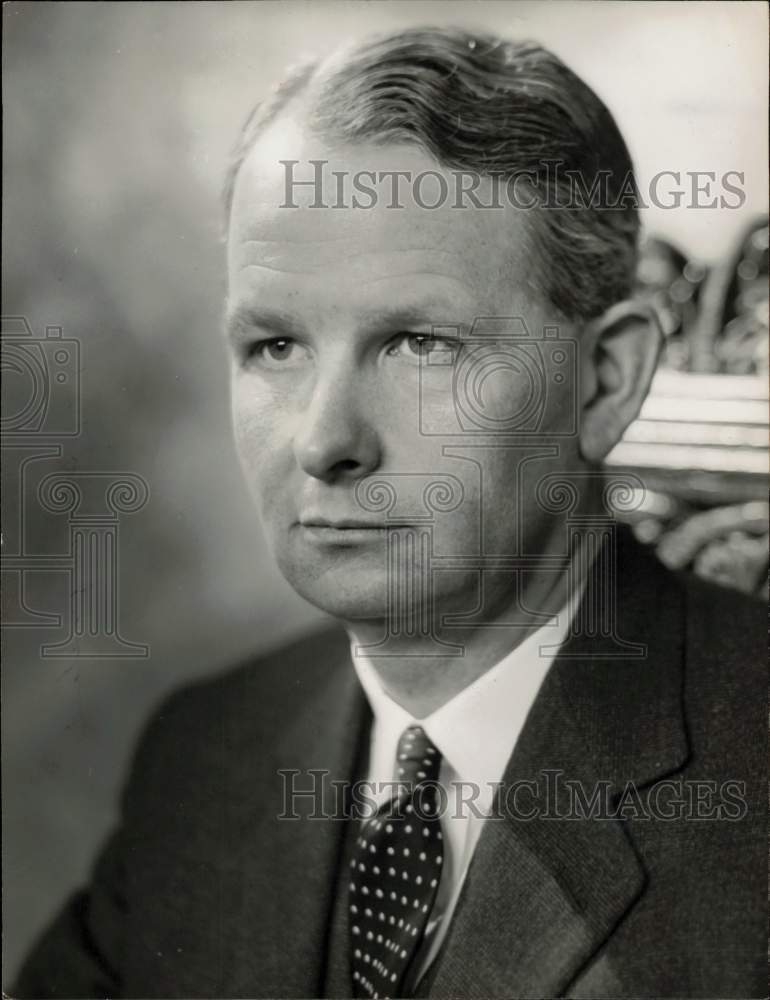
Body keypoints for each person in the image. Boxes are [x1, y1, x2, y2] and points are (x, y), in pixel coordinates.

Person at [14, 27, 766, 1000]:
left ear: (604, 379)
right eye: (274, 346)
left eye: (418, 344)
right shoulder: (206, 754)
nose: (324, 442)